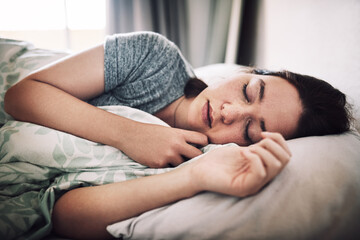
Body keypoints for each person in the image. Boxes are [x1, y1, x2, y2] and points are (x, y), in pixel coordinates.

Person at [4, 32, 351, 239]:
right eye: (248, 90)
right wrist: (131, 134)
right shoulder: (155, 58)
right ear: (246, 72)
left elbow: (62, 216)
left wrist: (192, 177)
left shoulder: (201, 160)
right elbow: (21, 95)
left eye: (249, 130)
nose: (230, 112)